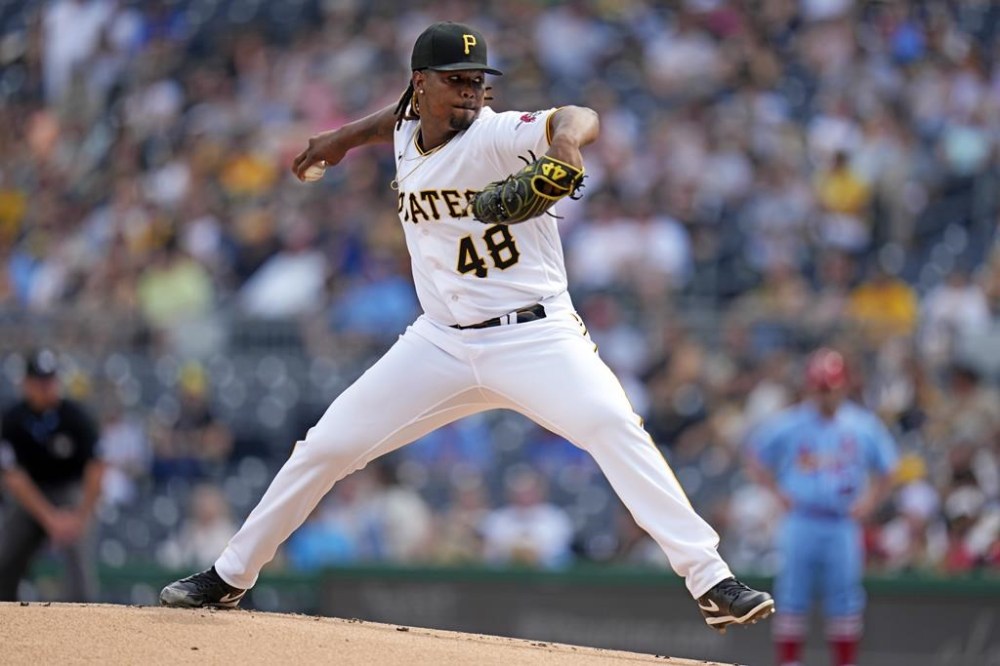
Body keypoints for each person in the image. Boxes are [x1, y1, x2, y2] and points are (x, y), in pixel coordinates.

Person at [160, 21, 773, 632]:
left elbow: (576, 114)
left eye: (477, 82)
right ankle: (230, 576)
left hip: (535, 336)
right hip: (441, 342)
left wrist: (565, 148)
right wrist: (340, 140)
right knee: (325, 447)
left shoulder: (497, 135)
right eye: (456, 82)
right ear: (419, 85)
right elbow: (391, 123)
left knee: (614, 426)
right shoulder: (407, 128)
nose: (470, 93)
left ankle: (711, 580)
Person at [746, 348, 899, 666]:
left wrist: (870, 500)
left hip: (842, 521)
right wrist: (776, 492)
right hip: (801, 518)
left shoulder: (861, 424)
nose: (823, 394)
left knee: (845, 598)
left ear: (842, 385)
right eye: (818, 387)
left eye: (829, 387)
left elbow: (889, 468)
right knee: (791, 595)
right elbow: (755, 455)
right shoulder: (791, 422)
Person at [0, 348, 105, 601]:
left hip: (70, 493)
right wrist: (49, 517)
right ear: (26, 383)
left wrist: (80, 516)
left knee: (80, 558)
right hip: (30, 497)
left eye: (51, 380)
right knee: (5, 555)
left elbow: (96, 468)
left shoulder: (75, 416)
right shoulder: (13, 419)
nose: (47, 387)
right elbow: (13, 476)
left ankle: (86, 617)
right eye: (40, 381)